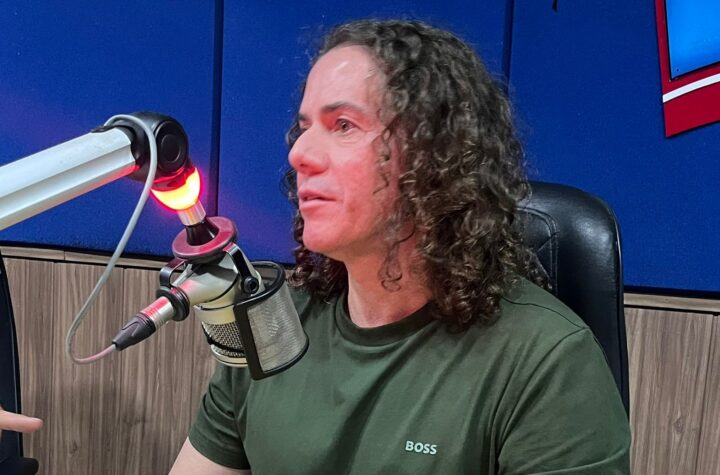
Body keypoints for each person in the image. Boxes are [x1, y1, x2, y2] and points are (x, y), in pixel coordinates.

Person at [171, 19, 630, 474]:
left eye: (343, 125)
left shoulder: (548, 361)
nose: (299, 153)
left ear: (436, 155)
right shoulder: (273, 329)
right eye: (305, 127)